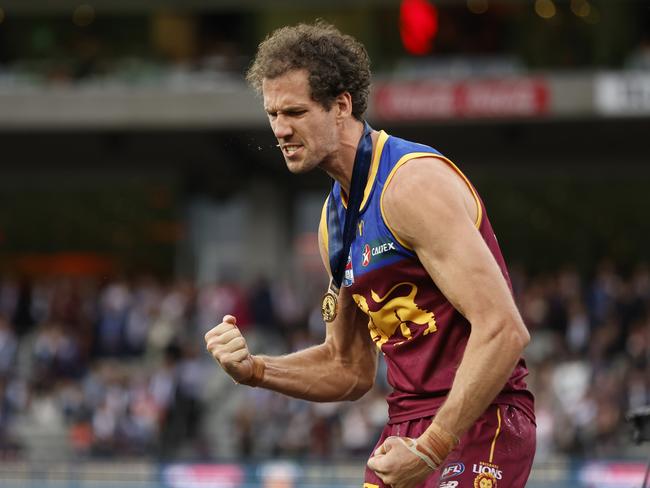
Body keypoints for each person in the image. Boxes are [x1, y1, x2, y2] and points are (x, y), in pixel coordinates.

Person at [205, 21, 536, 488]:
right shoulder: (332, 222)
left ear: (341, 105)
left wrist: (430, 449)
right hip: (406, 429)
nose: (279, 129)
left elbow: (504, 329)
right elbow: (348, 369)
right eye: (272, 114)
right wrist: (256, 370)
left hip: (481, 420)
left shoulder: (411, 184)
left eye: (295, 112)